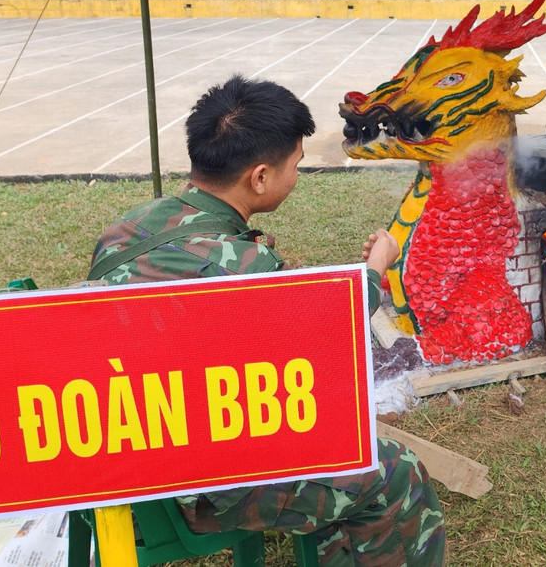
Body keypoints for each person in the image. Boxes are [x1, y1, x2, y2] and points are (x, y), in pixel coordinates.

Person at [91, 75, 445, 567]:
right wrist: (375, 270)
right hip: (196, 488)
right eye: (295, 165)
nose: (296, 174)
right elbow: (327, 340)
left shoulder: (125, 230)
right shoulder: (247, 269)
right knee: (394, 473)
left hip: (122, 463)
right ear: (259, 177)